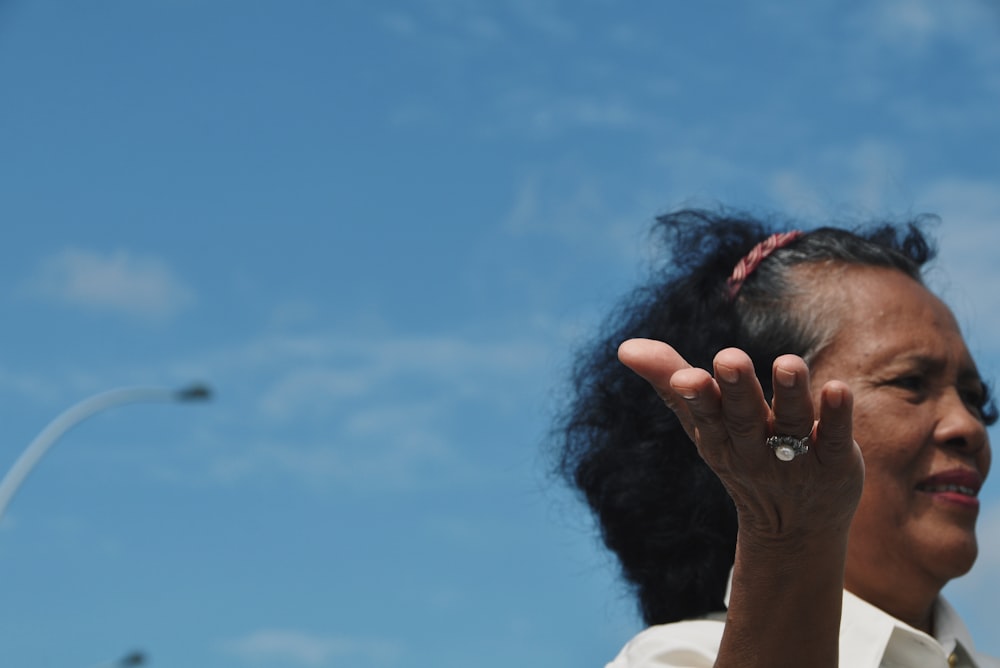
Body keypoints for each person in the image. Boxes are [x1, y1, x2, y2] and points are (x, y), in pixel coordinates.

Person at [555, 208, 999, 667]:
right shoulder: (678, 657)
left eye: (973, 395)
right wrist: (789, 538)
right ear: (756, 415)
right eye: (910, 382)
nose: (967, 426)